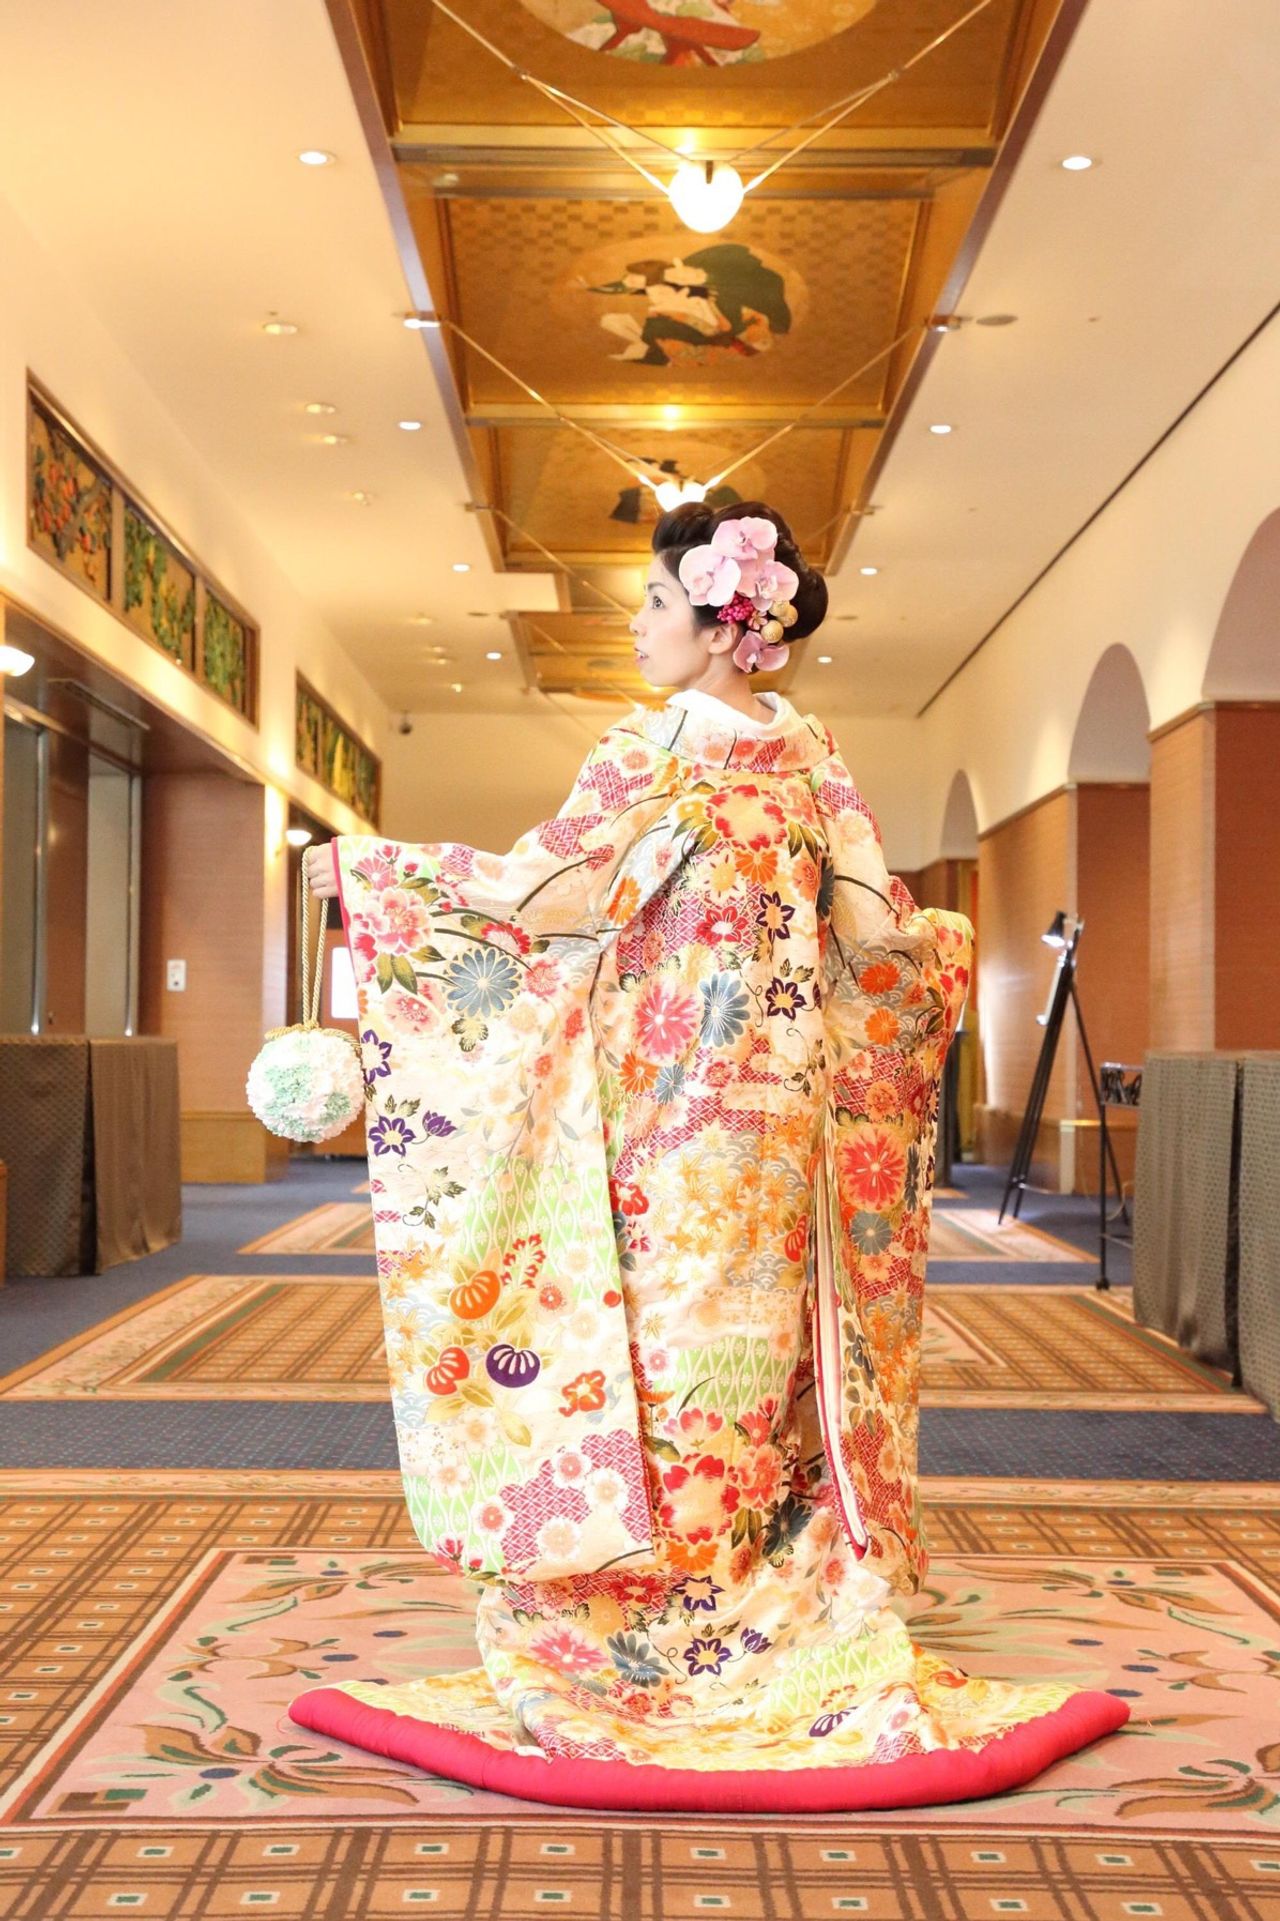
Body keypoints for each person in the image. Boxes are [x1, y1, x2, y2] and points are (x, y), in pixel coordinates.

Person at [292, 501, 1128, 1810]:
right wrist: (940, 948)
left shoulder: (679, 753)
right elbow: (870, 929)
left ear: (728, 624)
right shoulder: (785, 760)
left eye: (653, 603)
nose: (635, 624)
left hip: (693, 1115)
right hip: (749, 1119)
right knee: (725, 1354)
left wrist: (381, 884)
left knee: (701, 1351)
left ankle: (682, 1610)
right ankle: (723, 1596)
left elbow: (546, 899)